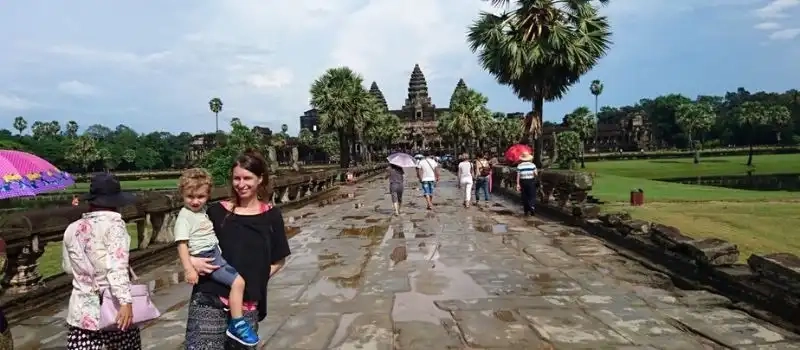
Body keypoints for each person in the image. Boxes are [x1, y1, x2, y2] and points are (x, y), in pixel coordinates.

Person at [184, 151, 291, 349]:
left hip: (246, 303)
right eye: (237, 178)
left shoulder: (271, 216)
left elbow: (278, 259)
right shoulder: (216, 212)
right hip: (209, 297)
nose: (241, 184)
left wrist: (257, 278)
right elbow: (184, 241)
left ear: (260, 179)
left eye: (248, 178)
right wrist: (192, 261)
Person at [174, 168, 259, 346]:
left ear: (208, 195)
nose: (196, 201)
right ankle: (238, 323)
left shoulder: (201, 212)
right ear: (182, 194)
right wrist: (189, 267)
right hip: (208, 257)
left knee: (236, 281)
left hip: (213, 252)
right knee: (238, 282)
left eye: (201, 197)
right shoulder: (184, 217)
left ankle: (235, 315)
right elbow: (181, 244)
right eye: (190, 197)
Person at [62, 173, 141, 349]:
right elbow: (117, 267)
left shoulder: (71, 229)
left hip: (81, 313)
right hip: (112, 308)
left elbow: (67, 267)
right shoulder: (114, 226)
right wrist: (125, 301)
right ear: (116, 202)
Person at [515, 151, 539, 216]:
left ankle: (526, 210)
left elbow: (518, 176)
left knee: (524, 196)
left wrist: (517, 184)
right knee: (532, 195)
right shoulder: (533, 165)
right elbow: (536, 174)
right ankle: (532, 207)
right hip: (531, 181)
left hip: (523, 181)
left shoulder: (519, 166)